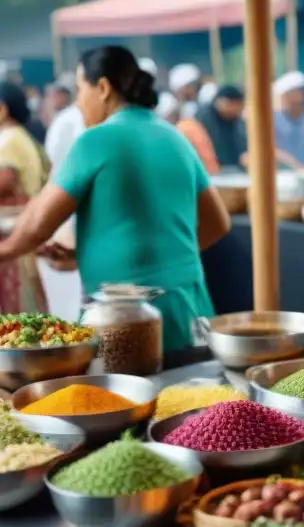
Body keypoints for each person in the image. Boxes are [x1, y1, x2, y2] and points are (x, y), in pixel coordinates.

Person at [0, 46, 232, 354]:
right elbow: (218, 224)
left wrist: (5, 250)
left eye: (81, 90)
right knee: (194, 395)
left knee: (133, 399)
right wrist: (157, 262)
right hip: (190, 307)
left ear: (104, 88)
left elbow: (38, 225)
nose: (79, 102)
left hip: (126, 318)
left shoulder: (94, 140)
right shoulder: (175, 137)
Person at [0, 82, 49, 312]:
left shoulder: (9, 140)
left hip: (10, 237)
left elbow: (4, 182)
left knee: (16, 316)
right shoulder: (20, 137)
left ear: (2, 109)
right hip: (20, 233)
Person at [179, 84, 249, 175]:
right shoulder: (204, 119)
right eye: (236, 106)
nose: (238, 110)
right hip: (210, 172)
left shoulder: (236, 120)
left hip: (235, 170)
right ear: (224, 103)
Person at [273, 71, 304, 169]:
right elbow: (269, 150)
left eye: (300, 92)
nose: (298, 97)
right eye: (292, 93)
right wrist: (293, 164)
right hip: (281, 175)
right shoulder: (273, 120)